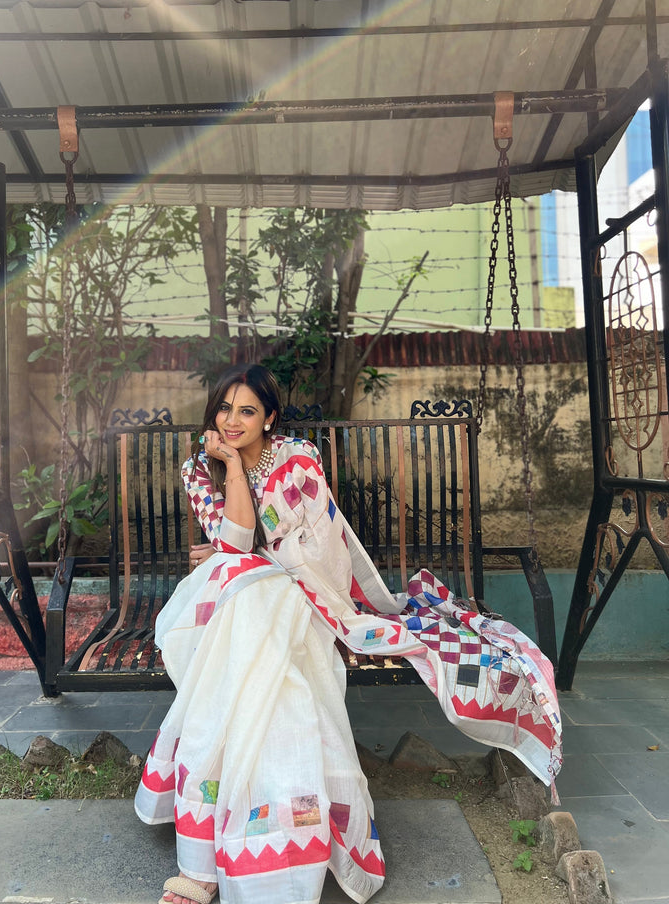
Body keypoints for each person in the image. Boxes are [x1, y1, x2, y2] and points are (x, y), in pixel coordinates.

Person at [135, 364, 562, 904]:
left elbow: (312, 553)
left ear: (270, 418)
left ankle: (207, 863)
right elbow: (239, 544)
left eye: (247, 411)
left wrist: (241, 551)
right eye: (224, 408)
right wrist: (232, 482)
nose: (232, 420)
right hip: (239, 602)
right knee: (245, 601)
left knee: (243, 602)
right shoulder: (201, 469)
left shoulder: (296, 461)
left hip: (304, 598)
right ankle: (266, 845)